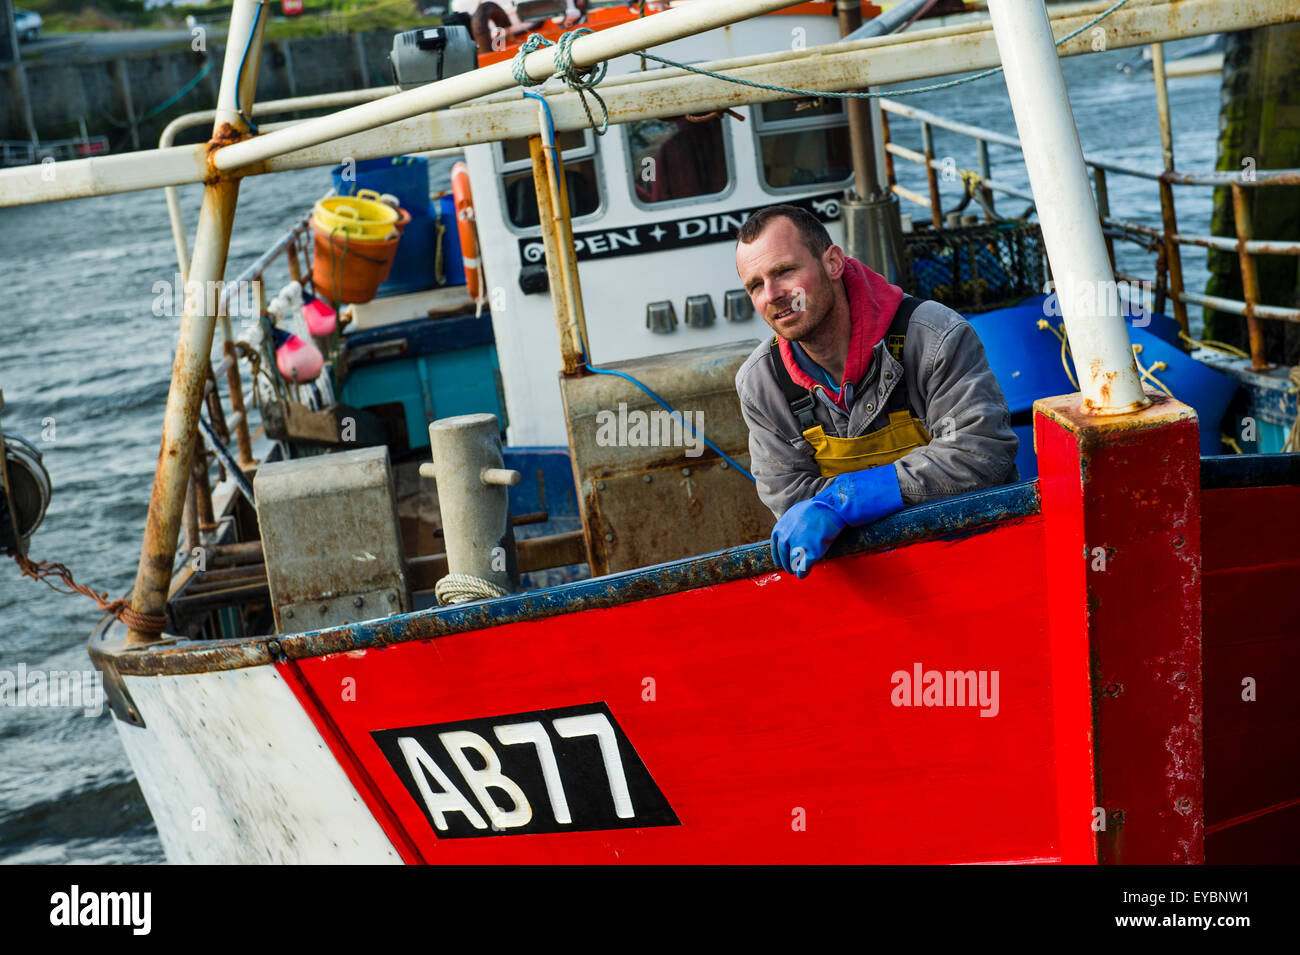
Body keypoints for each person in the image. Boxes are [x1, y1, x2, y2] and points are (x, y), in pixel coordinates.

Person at [733, 204, 1018, 578]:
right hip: (872, 583)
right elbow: (790, 498)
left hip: (979, 558)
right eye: (755, 285)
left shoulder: (934, 338)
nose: (772, 294)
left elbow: (980, 453)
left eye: (784, 271)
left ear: (833, 262)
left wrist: (846, 501)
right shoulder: (760, 384)